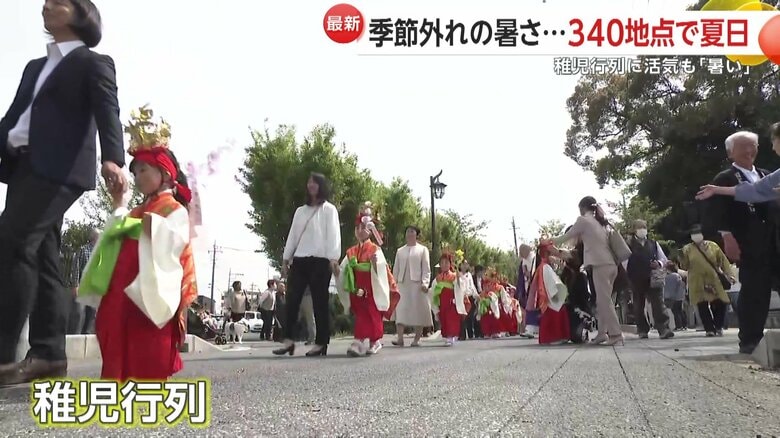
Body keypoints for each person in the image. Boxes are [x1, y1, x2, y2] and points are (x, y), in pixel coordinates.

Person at [0, 0, 127, 385]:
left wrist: (113, 159)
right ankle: (49, 355)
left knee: (12, 242)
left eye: (58, 2)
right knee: (42, 258)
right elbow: (14, 118)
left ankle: (3, 355)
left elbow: (108, 110)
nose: (47, 6)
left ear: (82, 14)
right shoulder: (34, 67)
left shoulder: (92, 63)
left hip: (60, 169)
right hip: (22, 168)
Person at [76, 108, 197, 381]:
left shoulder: (174, 209)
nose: (138, 176)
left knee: (146, 347)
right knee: (115, 335)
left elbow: (172, 243)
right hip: (124, 292)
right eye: (135, 171)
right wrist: (120, 204)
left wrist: (144, 227)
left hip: (147, 293)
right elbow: (116, 237)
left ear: (165, 173)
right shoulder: (138, 210)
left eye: (144, 169)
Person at [695, 129, 778, 354]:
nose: (749, 151)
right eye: (743, 147)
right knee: (755, 290)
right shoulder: (725, 178)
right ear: (731, 153)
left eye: (753, 146)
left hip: (774, 239)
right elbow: (715, 212)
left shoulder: (766, 174)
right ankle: (750, 339)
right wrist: (726, 236)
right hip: (748, 242)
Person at [273, 173, 341, 357]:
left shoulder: (329, 210)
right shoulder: (300, 211)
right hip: (300, 260)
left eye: (315, 182)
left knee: (320, 302)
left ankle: (321, 343)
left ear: (321, 186)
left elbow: (334, 234)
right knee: (292, 301)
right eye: (309, 182)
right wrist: (286, 259)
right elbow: (293, 235)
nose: (311, 185)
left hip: (321, 260)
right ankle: (288, 341)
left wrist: (334, 258)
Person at [547, 196, 624, 346]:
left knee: (604, 301)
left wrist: (549, 241)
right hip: (612, 265)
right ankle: (602, 334)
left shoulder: (583, 221)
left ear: (582, 208)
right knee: (602, 301)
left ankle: (616, 334)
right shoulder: (601, 222)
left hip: (600, 265)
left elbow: (566, 236)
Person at [336, 204, 398, 356]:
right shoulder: (351, 251)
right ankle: (360, 340)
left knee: (373, 313)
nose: (359, 230)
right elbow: (344, 269)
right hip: (357, 286)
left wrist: (375, 264)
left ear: (370, 231)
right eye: (357, 228)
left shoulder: (375, 249)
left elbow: (381, 269)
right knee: (361, 313)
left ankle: (372, 341)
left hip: (372, 286)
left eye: (363, 227)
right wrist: (337, 271)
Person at [678, 225, 735, 337]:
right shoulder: (687, 249)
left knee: (720, 302)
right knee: (702, 305)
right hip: (697, 281)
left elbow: (723, 261)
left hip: (713, 279)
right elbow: (684, 266)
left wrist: (730, 275)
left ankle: (718, 325)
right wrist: (681, 257)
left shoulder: (713, 246)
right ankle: (709, 329)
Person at [624, 220, 674, 340]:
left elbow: (663, 259)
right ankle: (642, 329)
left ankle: (664, 329)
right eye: (639, 227)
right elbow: (624, 262)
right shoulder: (628, 245)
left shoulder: (653, 244)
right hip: (636, 278)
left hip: (653, 277)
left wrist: (659, 263)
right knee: (638, 305)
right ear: (634, 230)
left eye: (644, 227)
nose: (642, 229)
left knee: (658, 304)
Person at [391, 226, 433, 347]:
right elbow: (396, 269)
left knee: (418, 310)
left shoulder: (422, 250)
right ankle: (400, 338)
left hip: (417, 285)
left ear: (416, 234)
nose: (409, 233)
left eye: (412, 231)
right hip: (402, 284)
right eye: (407, 231)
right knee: (400, 309)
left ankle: (417, 339)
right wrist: (393, 283)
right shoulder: (400, 251)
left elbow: (426, 269)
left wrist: (425, 283)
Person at [529, 242, 570, 345]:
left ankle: (552, 337)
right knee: (557, 312)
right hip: (551, 297)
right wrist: (554, 293)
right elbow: (550, 282)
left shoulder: (543, 266)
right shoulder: (545, 267)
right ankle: (554, 337)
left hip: (549, 296)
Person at [430, 252, 469, 347]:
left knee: (451, 319)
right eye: (442, 263)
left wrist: (459, 281)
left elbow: (460, 287)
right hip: (442, 302)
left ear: (450, 264)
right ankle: (448, 336)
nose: (444, 265)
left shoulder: (454, 276)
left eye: (446, 262)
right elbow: (433, 290)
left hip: (452, 302)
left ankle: (451, 336)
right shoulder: (438, 278)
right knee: (444, 319)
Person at [663, 261, 688, 331]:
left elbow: (670, 288)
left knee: (675, 311)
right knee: (680, 310)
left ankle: (679, 325)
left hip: (674, 297)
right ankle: (684, 324)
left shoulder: (669, 277)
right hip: (680, 296)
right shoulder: (678, 275)